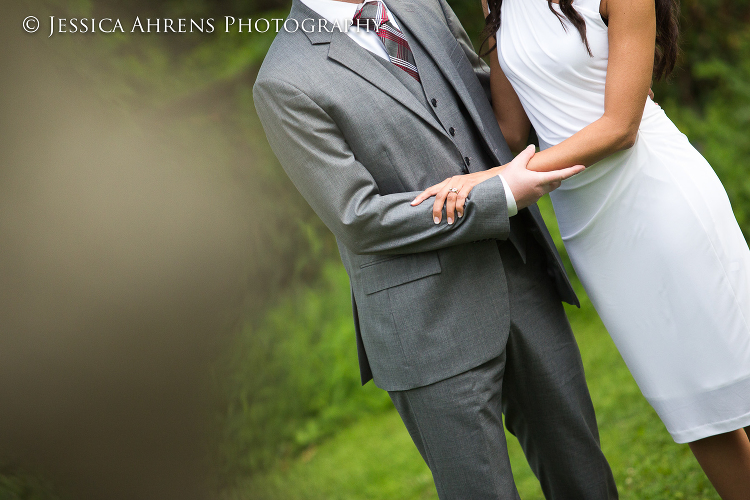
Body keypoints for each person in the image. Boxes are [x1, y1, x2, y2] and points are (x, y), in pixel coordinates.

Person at [253, 0, 620, 497]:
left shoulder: (423, 4)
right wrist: (501, 194)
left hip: (518, 273)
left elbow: (496, 111)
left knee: (585, 475)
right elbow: (358, 218)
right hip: (426, 323)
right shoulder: (284, 81)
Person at [417, 0, 750, 497]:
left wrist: (500, 179)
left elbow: (620, 127)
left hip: (659, 200)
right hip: (591, 229)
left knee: (732, 371)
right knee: (690, 402)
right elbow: (510, 129)